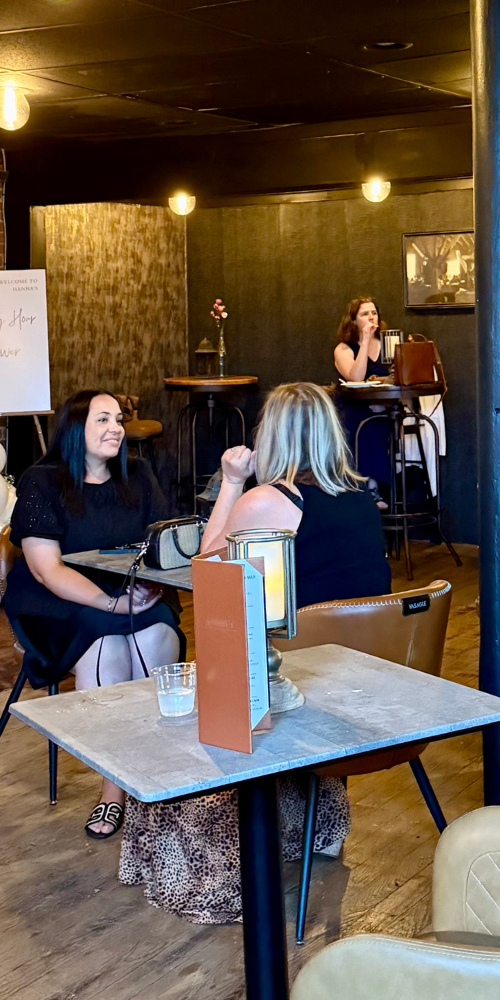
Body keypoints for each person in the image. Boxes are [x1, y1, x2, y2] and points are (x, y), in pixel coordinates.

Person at [119, 382, 391, 924]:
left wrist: (231, 481)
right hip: (368, 676)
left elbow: (205, 565)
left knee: (207, 666)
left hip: (302, 678)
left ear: (274, 436)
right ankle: (316, 824)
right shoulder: (363, 497)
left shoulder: (268, 500)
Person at [4, 390, 182, 840]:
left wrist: (150, 584)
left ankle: (156, 774)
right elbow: (46, 571)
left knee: (155, 638)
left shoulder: (138, 475)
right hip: (60, 602)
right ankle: (113, 792)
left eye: (118, 420)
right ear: (74, 429)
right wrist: (112, 604)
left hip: (131, 591)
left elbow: (161, 546)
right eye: (102, 419)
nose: (115, 428)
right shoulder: (42, 481)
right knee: (107, 649)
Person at [333, 295, 391, 505]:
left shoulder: (388, 343)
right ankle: (366, 486)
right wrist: (365, 341)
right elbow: (356, 378)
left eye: (374, 313)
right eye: (365, 314)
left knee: (379, 420)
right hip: (353, 405)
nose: (371, 317)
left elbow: (397, 375)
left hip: (385, 404)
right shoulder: (343, 349)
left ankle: (373, 486)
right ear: (353, 320)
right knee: (362, 421)